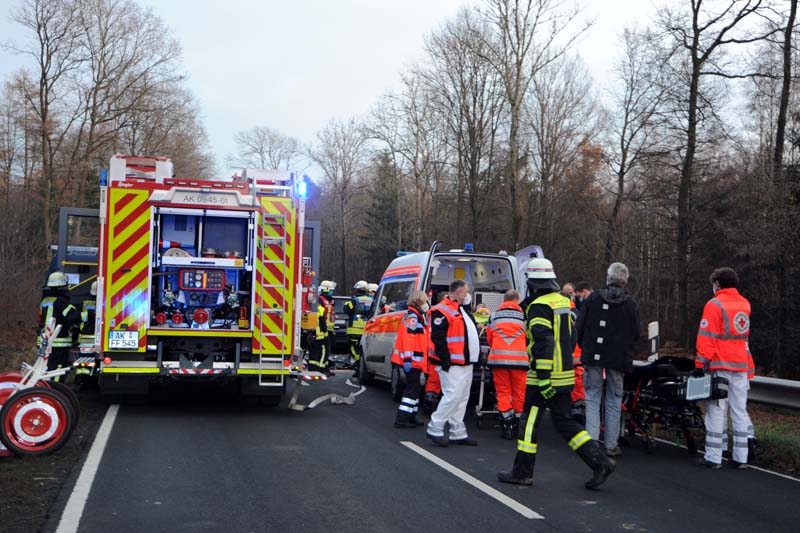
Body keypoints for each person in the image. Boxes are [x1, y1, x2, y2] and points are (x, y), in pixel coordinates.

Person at [498, 258, 615, 489]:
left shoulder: (539, 306)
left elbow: (543, 342)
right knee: (564, 421)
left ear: (532, 283)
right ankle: (599, 461)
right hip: (564, 375)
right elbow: (571, 339)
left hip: (544, 378)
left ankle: (522, 472)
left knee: (529, 423)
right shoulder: (562, 302)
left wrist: (542, 376)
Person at [576, 263, 640, 458]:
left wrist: (585, 346)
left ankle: (592, 442)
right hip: (618, 358)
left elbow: (580, 325)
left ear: (608, 278)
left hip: (594, 353)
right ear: (625, 280)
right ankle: (611, 445)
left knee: (593, 396)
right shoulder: (630, 304)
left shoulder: (593, 299)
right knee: (614, 398)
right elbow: (636, 332)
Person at [695, 267, 755, 469]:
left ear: (717, 284)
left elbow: (707, 337)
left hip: (720, 365)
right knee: (739, 410)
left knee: (716, 410)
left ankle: (714, 456)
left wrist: (700, 363)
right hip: (741, 365)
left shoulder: (714, 305)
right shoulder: (745, 304)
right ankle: (741, 457)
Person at [426, 280, 480, 447]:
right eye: (465, 292)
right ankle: (435, 427)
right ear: (457, 293)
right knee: (452, 396)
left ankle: (458, 432)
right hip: (453, 363)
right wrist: (445, 360)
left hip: (465, 362)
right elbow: (438, 337)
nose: (468, 294)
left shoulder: (462, 310)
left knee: (462, 398)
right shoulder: (442, 310)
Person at [486, 289, 528, 440]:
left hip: (499, 360)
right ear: (517, 300)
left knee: (503, 392)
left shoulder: (494, 316)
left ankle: (507, 425)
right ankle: (518, 424)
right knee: (519, 392)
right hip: (520, 361)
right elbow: (528, 337)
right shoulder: (524, 317)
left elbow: (489, 337)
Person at [392, 290, 430, 428]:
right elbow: (408, 340)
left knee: (415, 390)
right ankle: (402, 419)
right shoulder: (413, 318)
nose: (426, 303)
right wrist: (408, 359)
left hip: (415, 361)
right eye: (425, 301)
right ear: (419, 301)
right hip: (413, 361)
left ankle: (412, 416)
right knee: (411, 391)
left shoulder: (416, 316)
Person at [38, 272, 81, 379]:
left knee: (46, 366)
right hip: (59, 342)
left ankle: (46, 387)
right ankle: (56, 389)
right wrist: (88, 315)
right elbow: (72, 316)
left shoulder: (45, 301)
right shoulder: (61, 301)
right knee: (59, 367)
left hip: (44, 340)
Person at [570, 282, 593, 421]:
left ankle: (578, 409)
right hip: (583, 356)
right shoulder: (578, 311)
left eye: (577, 295)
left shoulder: (576, 312)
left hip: (578, 356)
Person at [344, 280, 373, 377]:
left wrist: (349, 301)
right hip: (368, 329)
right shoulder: (373, 300)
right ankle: (362, 365)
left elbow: (346, 309)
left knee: (353, 348)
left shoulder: (355, 300)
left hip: (355, 329)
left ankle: (359, 364)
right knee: (365, 349)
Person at [318, 280, 337, 375]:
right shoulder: (320, 300)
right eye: (331, 290)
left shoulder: (331, 300)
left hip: (330, 329)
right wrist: (324, 328)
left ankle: (325, 367)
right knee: (324, 349)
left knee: (328, 349)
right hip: (322, 328)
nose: (332, 292)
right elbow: (320, 316)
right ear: (325, 289)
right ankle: (322, 368)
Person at [307, 294, 329, 373]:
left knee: (313, 352)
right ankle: (320, 367)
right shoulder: (320, 310)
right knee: (323, 351)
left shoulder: (309, 309)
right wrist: (326, 335)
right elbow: (323, 324)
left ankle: (312, 367)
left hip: (310, 335)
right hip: (319, 335)